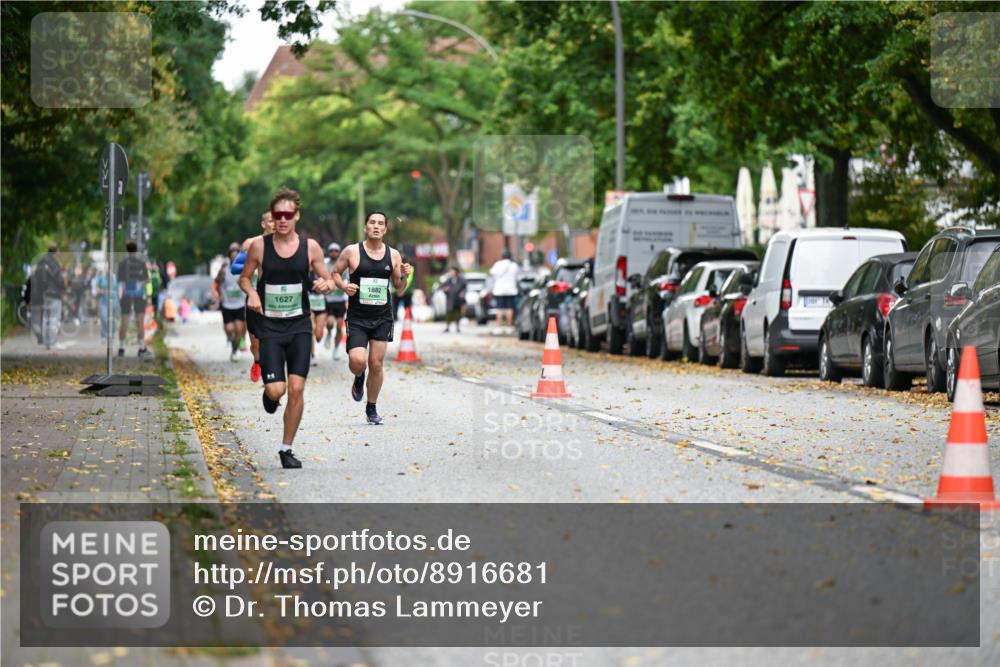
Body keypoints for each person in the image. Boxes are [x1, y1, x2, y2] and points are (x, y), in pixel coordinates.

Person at [240, 187, 335, 469]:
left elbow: (328, 280)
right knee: (276, 390)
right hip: (270, 326)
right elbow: (245, 278)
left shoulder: (311, 247)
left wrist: (325, 284)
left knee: (296, 388)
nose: (282, 220)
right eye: (278, 215)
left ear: (297, 216)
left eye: (288, 215)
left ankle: (286, 448)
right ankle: (269, 394)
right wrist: (253, 294)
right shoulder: (259, 246)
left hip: (299, 326)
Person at [329, 211, 412, 425]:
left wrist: (405, 275)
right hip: (357, 317)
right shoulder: (351, 251)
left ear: (385, 229)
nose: (376, 226)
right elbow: (335, 273)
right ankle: (358, 377)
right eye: (372, 222)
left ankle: (372, 407)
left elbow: (399, 288)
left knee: (376, 363)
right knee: (358, 361)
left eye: (380, 223)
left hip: (382, 316)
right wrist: (343, 286)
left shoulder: (393, 255)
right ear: (365, 227)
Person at [232, 211, 276, 382]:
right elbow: (235, 268)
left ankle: (273, 372)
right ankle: (257, 361)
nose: (274, 224)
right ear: (263, 224)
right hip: (254, 295)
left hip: (274, 298)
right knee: (256, 342)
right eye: (270, 221)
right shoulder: (251, 243)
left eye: (277, 220)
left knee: (273, 338)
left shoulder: (286, 244)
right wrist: (254, 261)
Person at [214, 243, 247, 362]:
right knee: (229, 329)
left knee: (239, 329)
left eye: (236, 256)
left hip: (240, 303)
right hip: (227, 304)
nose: (234, 259)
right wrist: (220, 295)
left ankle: (235, 350)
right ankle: (232, 341)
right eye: (232, 256)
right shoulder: (224, 268)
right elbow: (217, 282)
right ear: (229, 256)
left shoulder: (244, 267)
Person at [117, 240, 150, 358]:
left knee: (124, 320)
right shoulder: (141, 263)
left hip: (126, 295)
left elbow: (120, 283)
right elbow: (147, 280)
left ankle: (121, 348)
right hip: (139, 295)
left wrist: (119, 297)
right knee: (140, 321)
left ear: (127, 250)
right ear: (136, 250)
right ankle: (141, 348)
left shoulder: (122, 264)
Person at [32, 244, 65, 349]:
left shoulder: (41, 262)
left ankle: (46, 342)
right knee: (54, 319)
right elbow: (59, 279)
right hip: (54, 294)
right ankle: (53, 342)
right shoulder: (54, 263)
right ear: (56, 252)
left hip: (44, 294)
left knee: (46, 318)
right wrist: (64, 286)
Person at [322, 243, 349, 360]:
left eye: (336, 250)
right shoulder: (325, 264)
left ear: (339, 252)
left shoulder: (343, 266)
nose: (333, 252)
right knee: (329, 323)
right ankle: (328, 333)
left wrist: (344, 286)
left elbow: (347, 279)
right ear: (329, 252)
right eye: (331, 250)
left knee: (339, 326)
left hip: (339, 300)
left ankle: (336, 348)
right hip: (328, 299)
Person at [489, 248, 519, 334]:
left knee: (500, 309)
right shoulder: (514, 265)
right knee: (509, 308)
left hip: (499, 290)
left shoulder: (498, 264)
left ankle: (499, 327)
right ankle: (509, 327)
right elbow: (517, 276)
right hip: (511, 289)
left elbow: (492, 273)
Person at [442, 266, 466, 333]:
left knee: (457, 313)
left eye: (452, 271)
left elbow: (464, 288)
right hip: (450, 298)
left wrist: (462, 293)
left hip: (457, 299)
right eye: (450, 271)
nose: (451, 273)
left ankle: (457, 327)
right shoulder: (448, 280)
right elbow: (443, 287)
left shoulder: (461, 280)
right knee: (449, 313)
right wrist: (445, 290)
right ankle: (447, 327)